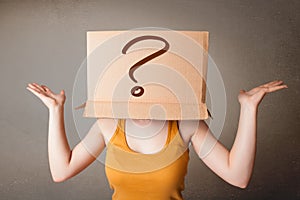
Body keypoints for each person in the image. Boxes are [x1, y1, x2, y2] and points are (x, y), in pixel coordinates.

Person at [26, 80, 287, 199]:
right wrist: (55, 110)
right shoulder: (107, 124)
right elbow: (62, 171)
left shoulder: (187, 124)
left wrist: (249, 107)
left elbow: (238, 176)